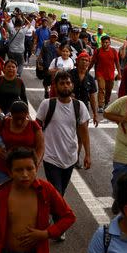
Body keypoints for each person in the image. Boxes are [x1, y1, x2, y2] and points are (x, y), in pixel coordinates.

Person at [35, 71, 91, 241]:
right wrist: (36, 152)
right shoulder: (47, 104)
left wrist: (87, 154)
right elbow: (37, 127)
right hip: (51, 156)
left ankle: (52, 212)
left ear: (72, 85)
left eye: (68, 83)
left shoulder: (79, 106)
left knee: (61, 192)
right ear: (55, 86)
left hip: (70, 157)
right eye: (62, 83)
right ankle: (59, 228)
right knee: (57, 192)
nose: (66, 86)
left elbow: (83, 131)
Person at [0, 100, 44, 185]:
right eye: (16, 119)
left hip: (26, 172)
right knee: (3, 196)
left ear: (27, 114)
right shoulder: (3, 123)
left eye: (22, 118)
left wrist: (35, 163)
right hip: (3, 169)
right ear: (11, 114)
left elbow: (41, 147)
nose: (19, 122)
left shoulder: (33, 126)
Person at [91, 34, 121, 113]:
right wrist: (87, 71)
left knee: (108, 90)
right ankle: (100, 106)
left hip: (110, 75)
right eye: (103, 42)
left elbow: (117, 63)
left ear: (110, 43)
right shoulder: (98, 51)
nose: (105, 44)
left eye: (107, 42)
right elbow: (92, 62)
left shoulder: (114, 51)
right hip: (100, 74)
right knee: (101, 89)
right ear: (101, 43)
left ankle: (106, 102)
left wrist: (119, 73)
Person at [39, 31, 60, 98]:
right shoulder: (45, 43)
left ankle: (51, 93)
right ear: (50, 36)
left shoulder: (58, 45)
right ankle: (46, 90)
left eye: (55, 37)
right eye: (52, 36)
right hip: (46, 65)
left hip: (55, 66)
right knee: (45, 81)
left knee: (53, 81)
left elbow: (61, 55)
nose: (53, 38)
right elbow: (41, 53)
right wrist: (39, 62)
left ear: (57, 38)